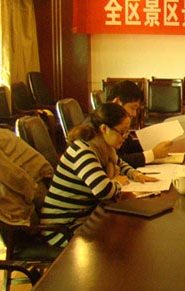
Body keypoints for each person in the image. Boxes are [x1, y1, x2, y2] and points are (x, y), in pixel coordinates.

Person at [40, 102, 157, 245]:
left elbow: (119, 163)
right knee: (124, 240)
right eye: (122, 132)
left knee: (130, 232)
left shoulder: (103, 146)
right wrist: (117, 182)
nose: (125, 137)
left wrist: (135, 174)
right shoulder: (83, 152)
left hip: (85, 217)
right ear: (104, 129)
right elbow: (103, 190)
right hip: (64, 228)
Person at [107, 80, 172, 168]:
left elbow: (129, 146)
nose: (134, 114)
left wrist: (155, 143)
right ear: (117, 102)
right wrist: (153, 154)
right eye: (132, 108)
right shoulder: (105, 126)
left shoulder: (115, 122)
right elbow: (116, 160)